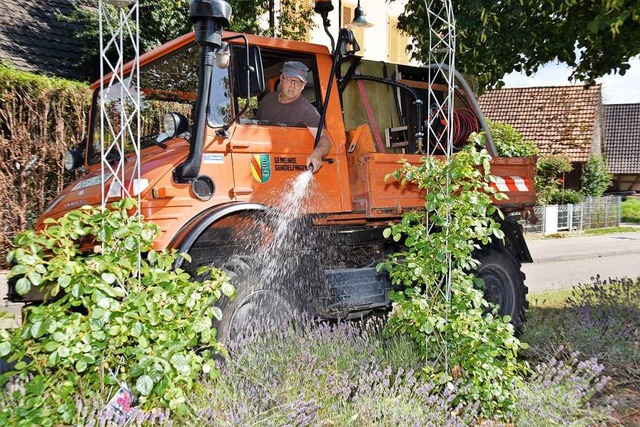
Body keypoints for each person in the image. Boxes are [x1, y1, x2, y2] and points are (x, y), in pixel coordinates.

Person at [254, 61, 331, 173]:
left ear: (304, 86)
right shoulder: (267, 101)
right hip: (263, 161)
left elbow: (324, 140)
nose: (293, 86)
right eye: (289, 79)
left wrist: (317, 154)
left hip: (285, 166)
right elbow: (254, 129)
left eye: (298, 82)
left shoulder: (307, 112)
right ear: (281, 79)